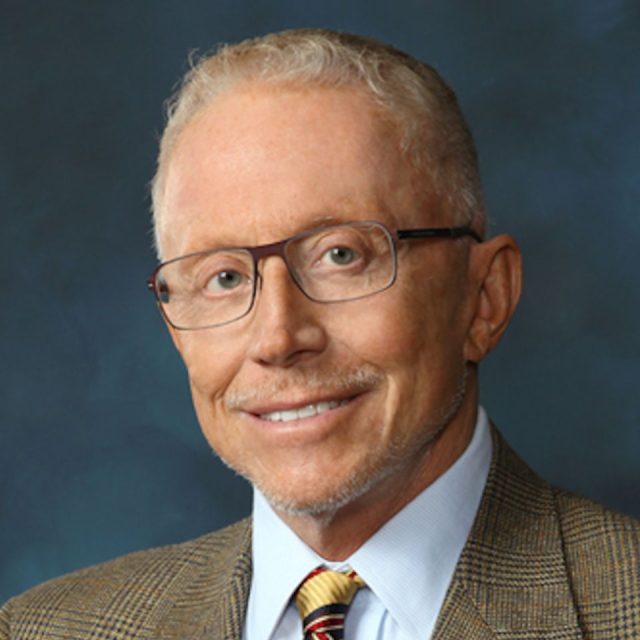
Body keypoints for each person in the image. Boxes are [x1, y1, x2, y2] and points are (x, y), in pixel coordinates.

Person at [1, 28, 638, 640]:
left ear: (483, 299)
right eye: (223, 276)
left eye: (341, 255)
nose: (278, 338)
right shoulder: (42, 630)